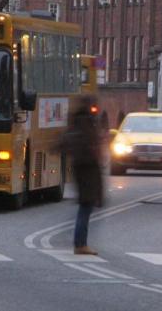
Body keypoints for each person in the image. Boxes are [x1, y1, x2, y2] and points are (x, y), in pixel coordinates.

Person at [61, 95, 104, 255]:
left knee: (85, 207)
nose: (95, 107)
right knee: (85, 207)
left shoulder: (78, 121)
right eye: (93, 104)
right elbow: (89, 147)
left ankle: (81, 243)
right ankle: (80, 244)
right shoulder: (86, 122)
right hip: (87, 172)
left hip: (83, 170)